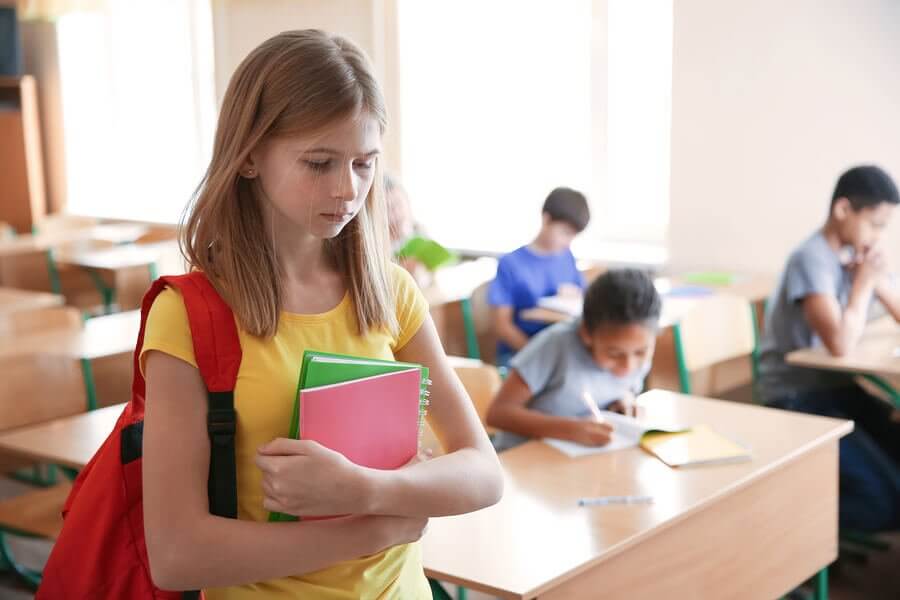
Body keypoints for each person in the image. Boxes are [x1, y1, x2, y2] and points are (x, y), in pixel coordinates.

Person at [141, 30, 503, 598]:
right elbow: (176, 556)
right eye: (319, 163)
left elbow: (483, 471)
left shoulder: (390, 291)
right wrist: (373, 527)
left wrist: (365, 490)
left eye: (364, 164)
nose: (347, 189)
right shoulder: (187, 313)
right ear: (250, 156)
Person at [759, 164, 900, 532]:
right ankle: (781, 527)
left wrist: (877, 281)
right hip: (795, 396)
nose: (879, 236)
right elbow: (839, 343)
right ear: (843, 210)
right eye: (875, 224)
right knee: (881, 503)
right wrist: (864, 284)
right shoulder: (812, 257)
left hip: (836, 389)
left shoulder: (853, 256)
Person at [487, 269, 661, 451]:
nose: (628, 366)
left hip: (581, 457)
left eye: (641, 352)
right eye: (614, 354)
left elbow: (619, 390)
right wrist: (569, 430)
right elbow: (498, 413)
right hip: (521, 457)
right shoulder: (555, 345)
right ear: (586, 334)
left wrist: (623, 401)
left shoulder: (636, 350)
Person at [488, 187, 590, 366]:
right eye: (565, 232)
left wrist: (573, 294)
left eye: (573, 236)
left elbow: (582, 297)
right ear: (546, 219)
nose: (568, 242)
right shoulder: (511, 264)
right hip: (521, 351)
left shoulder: (566, 257)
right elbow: (501, 326)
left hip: (560, 348)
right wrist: (538, 355)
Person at [384, 172, 431, 287]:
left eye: (398, 205)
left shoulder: (420, 232)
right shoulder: (380, 246)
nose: (396, 214)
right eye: (389, 208)